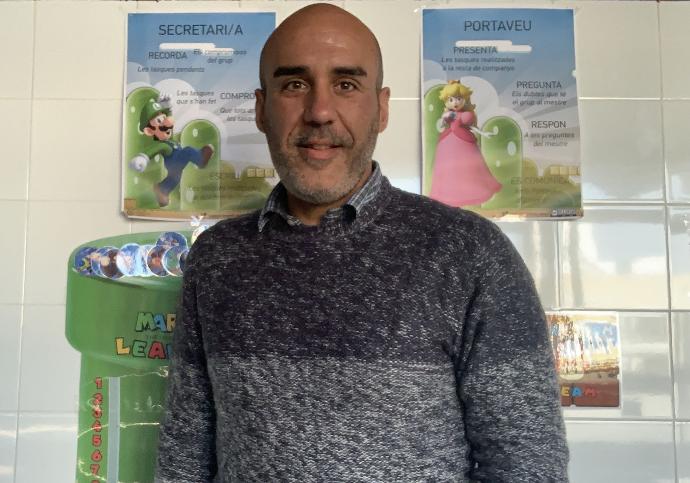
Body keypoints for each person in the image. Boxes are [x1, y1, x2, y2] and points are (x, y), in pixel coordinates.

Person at [155, 4, 569, 482]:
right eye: (294, 84)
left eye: (347, 84)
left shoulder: (470, 253)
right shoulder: (216, 257)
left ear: (382, 108)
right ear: (261, 109)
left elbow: (527, 465)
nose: (320, 112)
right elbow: (184, 453)